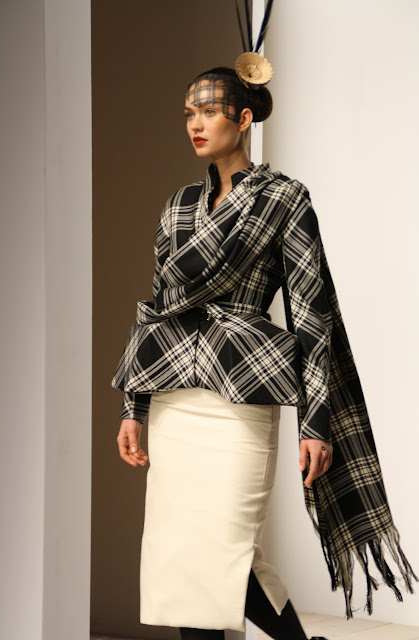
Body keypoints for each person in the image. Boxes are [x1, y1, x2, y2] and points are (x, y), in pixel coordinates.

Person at [112, 5, 416, 639]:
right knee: (184, 562)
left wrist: (316, 421)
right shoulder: (177, 207)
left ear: (244, 118)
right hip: (174, 395)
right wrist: (133, 408)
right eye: (189, 113)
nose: (196, 124)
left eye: (209, 111)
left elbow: (312, 315)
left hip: (242, 390)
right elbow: (157, 305)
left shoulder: (285, 198)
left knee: (222, 552)